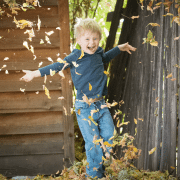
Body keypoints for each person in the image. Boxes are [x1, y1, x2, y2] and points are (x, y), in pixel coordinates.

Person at [20, 18, 136, 179]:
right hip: (84, 107)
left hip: (101, 105)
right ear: (78, 41)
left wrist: (119, 48)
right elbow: (56, 66)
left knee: (110, 135)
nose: (92, 42)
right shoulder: (75, 57)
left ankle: (102, 162)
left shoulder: (98, 54)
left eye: (95, 38)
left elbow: (106, 58)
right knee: (93, 143)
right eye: (87, 39)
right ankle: (94, 175)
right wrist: (34, 73)